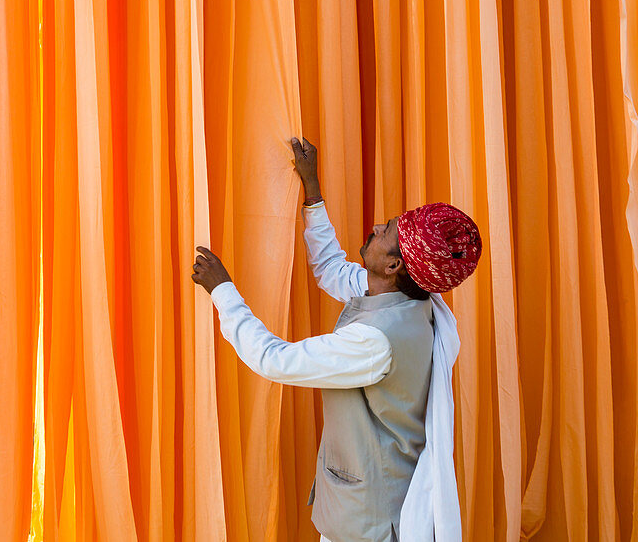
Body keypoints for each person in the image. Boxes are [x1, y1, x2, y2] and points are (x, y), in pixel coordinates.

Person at [191, 136, 480, 542]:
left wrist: (223, 291)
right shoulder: (410, 299)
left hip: (369, 523)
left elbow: (275, 360)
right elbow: (332, 270)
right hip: (371, 504)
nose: (377, 226)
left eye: (387, 231)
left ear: (394, 264)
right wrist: (313, 192)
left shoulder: (377, 340)